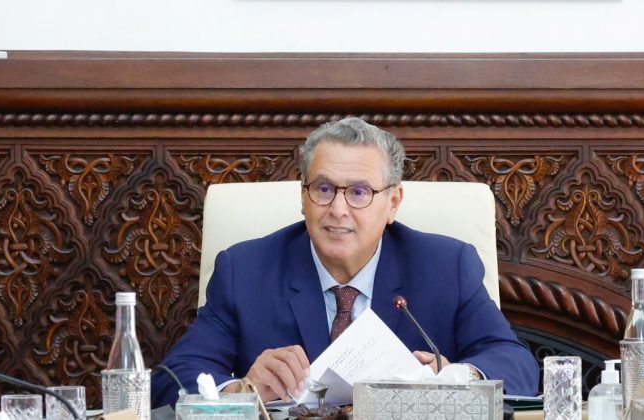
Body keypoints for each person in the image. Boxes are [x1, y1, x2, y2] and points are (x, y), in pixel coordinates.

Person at [151, 117, 539, 407]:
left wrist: (456, 377)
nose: (338, 209)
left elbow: (517, 364)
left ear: (393, 203)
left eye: (359, 192)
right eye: (323, 189)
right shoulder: (245, 270)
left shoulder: (446, 266)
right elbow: (171, 379)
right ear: (303, 198)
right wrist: (241, 391)